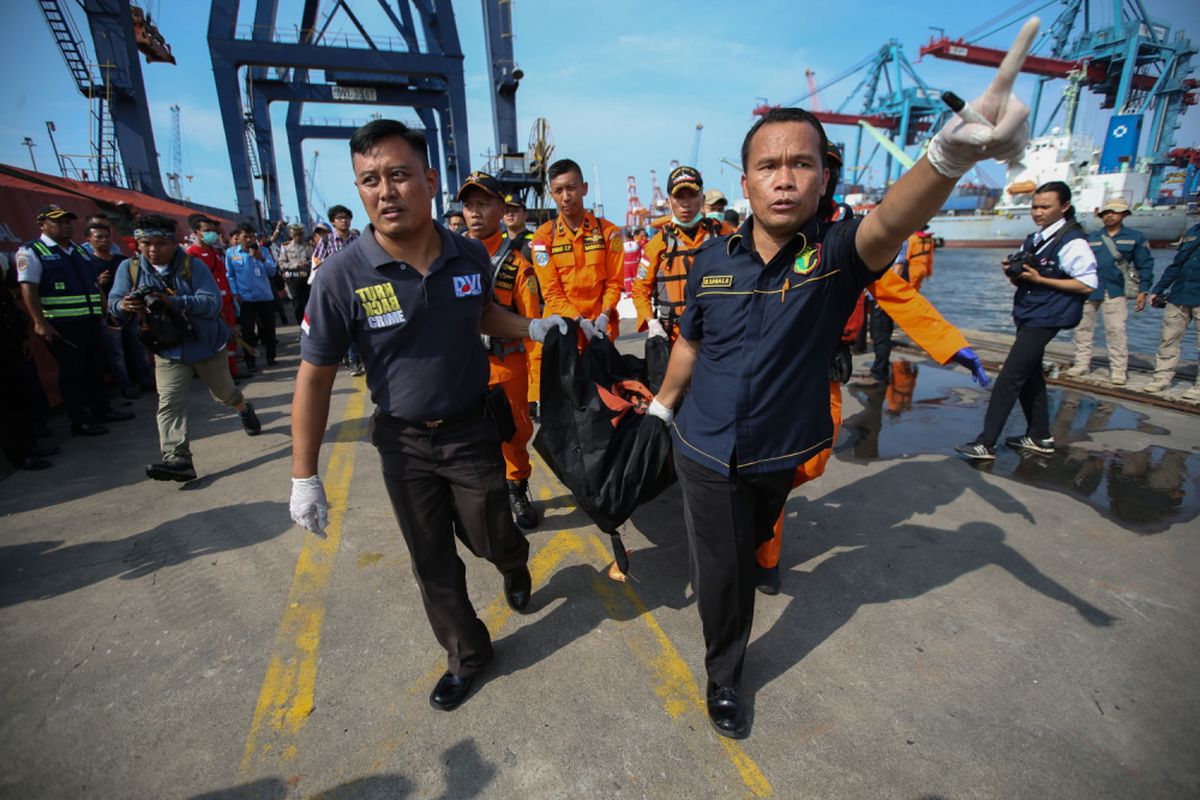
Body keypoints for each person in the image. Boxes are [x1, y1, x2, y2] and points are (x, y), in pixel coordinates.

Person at [645, 24, 1034, 737]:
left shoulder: (834, 254)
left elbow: (891, 221)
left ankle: (747, 561)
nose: (785, 177)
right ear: (746, 181)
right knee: (726, 576)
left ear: (824, 176)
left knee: (758, 532)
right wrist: (663, 407)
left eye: (802, 164)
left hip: (781, 450)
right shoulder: (710, 263)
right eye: (769, 165)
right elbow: (689, 343)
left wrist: (947, 153)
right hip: (703, 449)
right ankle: (724, 673)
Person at [288, 119, 567, 711]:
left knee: (493, 535)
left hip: (470, 430)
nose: (385, 191)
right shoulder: (340, 277)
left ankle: (514, 565)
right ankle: (469, 653)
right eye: (370, 180)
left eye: (398, 174)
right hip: (403, 443)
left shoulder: (467, 253)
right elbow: (313, 377)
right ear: (359, 190)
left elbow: (482, 314)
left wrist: (532, 327)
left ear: (429, 180)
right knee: (432, 558)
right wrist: (303, 476)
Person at [108, 214, 262, 481]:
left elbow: (211, 303)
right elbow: (113, 304)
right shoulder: (129, 269)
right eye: (146, 243)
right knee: (169, 403)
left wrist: (174, 302)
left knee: (224, 395)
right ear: (138, 244)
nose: (153, 250)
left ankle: (244, 409)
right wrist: (123, 306)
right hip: (168, 349)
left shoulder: (193, 266)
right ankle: (177, 458)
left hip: (205, 346)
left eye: (159, 244)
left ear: (173, 243)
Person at [956, 180, 1098, 459]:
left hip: (1047, 316)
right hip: (1029, 312)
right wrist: (1014, 272)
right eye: (1034, 206)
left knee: (1010, 377)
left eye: (1045, 207)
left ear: (1065, 207)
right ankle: (1040, 436)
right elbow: (1025, 280)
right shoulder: (1035, 239)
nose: (1038, 212)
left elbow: (1087, 284)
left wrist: (1040, 279)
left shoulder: (1073, 242)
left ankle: (986, 442)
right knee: (1031, 376)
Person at [460, 171, 542, 529]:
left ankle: (516, 488)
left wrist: (537, 387)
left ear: (501, 208)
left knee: (514, 433)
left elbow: (534, 329)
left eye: (483, 203)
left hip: (507, 366)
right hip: (461, 369)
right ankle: (480, 496)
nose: (475, 212)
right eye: (468, 205)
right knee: (464, 439)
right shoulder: (447, 258)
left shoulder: (518, 266)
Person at [15, 204, 134, 436]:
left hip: (90, 321)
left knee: (96, 367)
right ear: (42, 225)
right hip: (63, 326)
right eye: (58, 222)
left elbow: (94, 285)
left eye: (68, 221)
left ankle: (102, 410)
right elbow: (28, 289)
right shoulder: (32, 251)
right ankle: (79, 420)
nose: (65, 226)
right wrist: (40, 322)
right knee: (73, 373)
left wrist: (106, 311)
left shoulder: (79, 251)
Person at [632, 165, 734, 342]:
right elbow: (640, 289)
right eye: (679, 196)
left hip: (719, 334)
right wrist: (651, 322)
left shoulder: (723, 233)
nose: (685, 203)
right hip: (674, 336)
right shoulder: (657, 243)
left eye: (692, 195)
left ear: (702, 197)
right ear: (670, 200)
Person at [531, 158, 624, 340]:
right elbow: (551, 291)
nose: (566, 197)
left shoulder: (609, 233)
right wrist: (578, 320)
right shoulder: (543, 237)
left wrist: (605, 314)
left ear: (584, 188)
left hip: (600, 329)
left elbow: (614, 283)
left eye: (571, 188)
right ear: (552, 194)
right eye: (559, 191)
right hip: (563, 331)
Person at [1066, 199, 1155, 385]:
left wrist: (1143, 290)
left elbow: (1145, 265)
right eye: (1106, 212)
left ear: (1124, 215)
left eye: (1114, 212)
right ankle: (1081, 363)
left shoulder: (1135, 238)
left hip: (1116, 290)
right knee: (1082, 328)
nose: (1109, 215)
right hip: (1088, 290)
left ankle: (1118, 370)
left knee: (1116, 330)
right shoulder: (1090, 238)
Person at [87, 220, 153, 399]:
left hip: (131, 312)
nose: (104, 240)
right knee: (116, 353)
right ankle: (126, 386)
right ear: (89, 240)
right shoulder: (88, 263)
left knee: (138, 347)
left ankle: (146, 381)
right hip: (109, 315)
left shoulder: (123, 262)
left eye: (107, 236)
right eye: (98, 237)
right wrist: (97, 284)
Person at [1144, 221, 1200, 399]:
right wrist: (1159, 289)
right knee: (1168, 339)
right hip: (1180, 294)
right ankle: (1161, 378)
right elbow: (1177, 264)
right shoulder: (1192, 232)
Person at [186, 216, 241, 379]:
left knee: (231, 338)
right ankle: (222, 376)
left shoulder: (214, 252)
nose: (212, 234)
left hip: (227, 303)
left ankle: (233, 372)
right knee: (217, 342)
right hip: (211, 307)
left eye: (213, 231)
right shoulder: (191, 255)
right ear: (197, 233)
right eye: (207, 231)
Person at [312, 207, 364, 375]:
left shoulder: (357, 239)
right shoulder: (327, 241)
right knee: (344, 325)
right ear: (333, 221)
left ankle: (357, 359)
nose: (344, 221)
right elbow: (316, 261)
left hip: (356, 287)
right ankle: (352, 360)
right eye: (340, 218)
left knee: (359, 323)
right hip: (336, 289)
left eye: (347, 217)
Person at [225, 224, 279, 369]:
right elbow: (230, 275)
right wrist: (235, 293)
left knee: (268, 329)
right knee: (247, 331)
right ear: (238, 237)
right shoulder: (231, 253)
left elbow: (272, 271)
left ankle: (271, 356)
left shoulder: (264, 251)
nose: (249, 240)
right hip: (245, 299)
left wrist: (261, 258)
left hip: (264, 297)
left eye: (251, 236)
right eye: (245, 237)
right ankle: (250, 360)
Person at [278, 224, 314, 328]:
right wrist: (295, 265)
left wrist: (308, 263)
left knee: (309, 303)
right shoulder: (286, 247)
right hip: (293, 278)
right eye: (296, 234)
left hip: (307, 278)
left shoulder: (308, 246)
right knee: (297, 304)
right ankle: (301, 325)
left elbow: (314, 260)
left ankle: (311, 324)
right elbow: (281, 264)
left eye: (301, 234)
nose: (298, 236)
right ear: (292, 234)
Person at [502, 194, 534, 259]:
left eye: (514, 210)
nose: (510, 214)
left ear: (525, 214)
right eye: (506, 211)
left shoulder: (536, 239)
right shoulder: (498, 239)